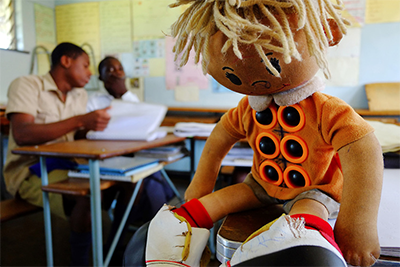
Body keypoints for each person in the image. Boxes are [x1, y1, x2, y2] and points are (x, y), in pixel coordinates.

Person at [141, 1, 383, 267]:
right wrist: (202, 184)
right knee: (212, 203)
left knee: (305, 220)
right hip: (259, 185)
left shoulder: (326, 110)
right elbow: (221, 136)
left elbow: (363, 149)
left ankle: (291, 244)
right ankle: (171, 238)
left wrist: (356, 226)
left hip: (314, 191)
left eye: (272, 64)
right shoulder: (249, 108)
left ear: (326, 33)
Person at [4, 42, 111, 267]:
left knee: (126, 183)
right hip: (31, 169)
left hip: (68, 163)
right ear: (66, 61)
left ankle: (113, 249)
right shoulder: (26, 85)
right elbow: (23, 134)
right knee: (87, 193)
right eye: (85, 65)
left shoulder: (79, 95)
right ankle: (80, 261)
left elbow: (75, 134)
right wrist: (81, 120)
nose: (90, 73)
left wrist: (93, 125)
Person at [89, 56, 174, 263]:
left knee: (152, 177)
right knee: (147, 182)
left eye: (119, 69)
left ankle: (144, 241)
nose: (116, 73)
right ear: (100, 77)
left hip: (131, 156)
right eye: (109, 70)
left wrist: (123, 93)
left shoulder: (131, 98)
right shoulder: (93, 100)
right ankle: (149, 242)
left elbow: (141, 124)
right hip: (104, 158)